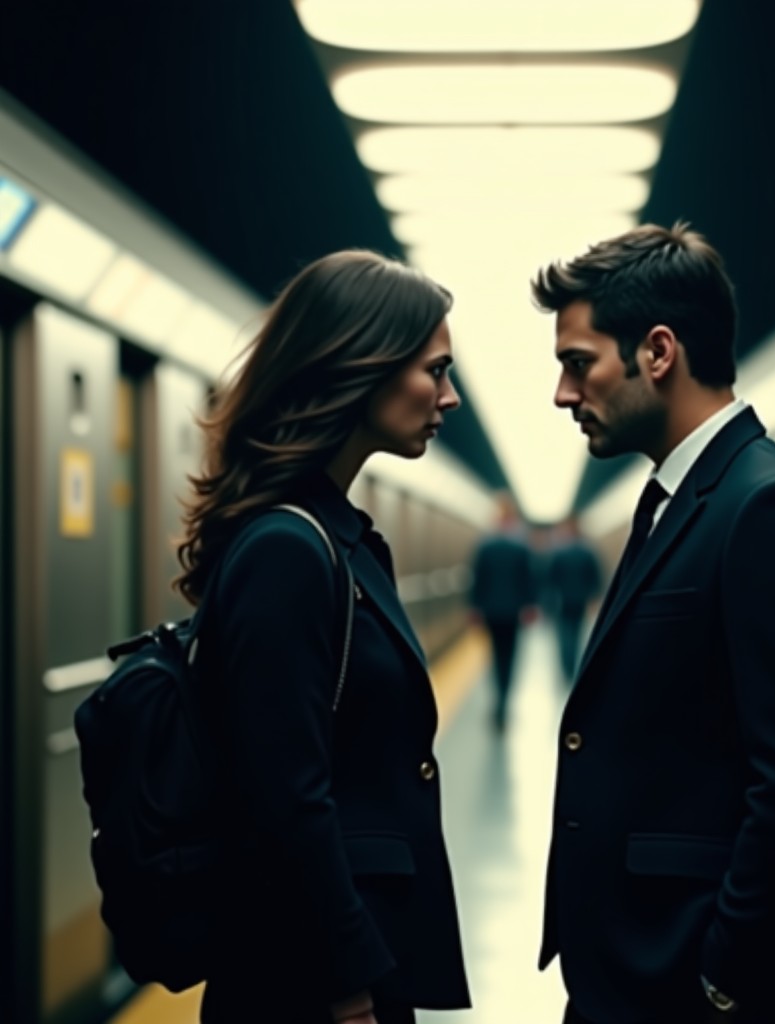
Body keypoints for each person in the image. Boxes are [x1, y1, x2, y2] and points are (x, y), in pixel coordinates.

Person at [531, 223, 775, 1024]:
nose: (564, 395)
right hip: (628, 969)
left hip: (689, 983)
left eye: (579, 364)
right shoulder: (683, 500)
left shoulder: (768, 508)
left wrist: (724, 977)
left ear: (657, 351)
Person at [174, 250, 470, 1024]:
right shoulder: (289, 550)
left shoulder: (328, 540)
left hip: (342, 952)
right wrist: (347, 983)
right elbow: (286, 793)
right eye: (434, 371)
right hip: (310, 976)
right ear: (362, 365)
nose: (452, 396)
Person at [468, 494, 537, 732]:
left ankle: (498, 701)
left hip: (490, 610)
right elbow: (529, 578)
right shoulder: (521, 544)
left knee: (495, 655)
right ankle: (504, 703)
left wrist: (475, 608)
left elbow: (477, 579)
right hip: (514, 611)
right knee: (510, 657)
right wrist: (530, 606)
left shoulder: (485, 544)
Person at [544, 516, 603, 684]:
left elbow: (550, 579)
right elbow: (595, 577)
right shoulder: (587, 551)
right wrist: (593, 598)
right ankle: (573, 666)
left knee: (564, 635)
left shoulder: (558, 552)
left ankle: (566, 668)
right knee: (576, 634)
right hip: (581, 600)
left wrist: (547, 604)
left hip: (561, 601)